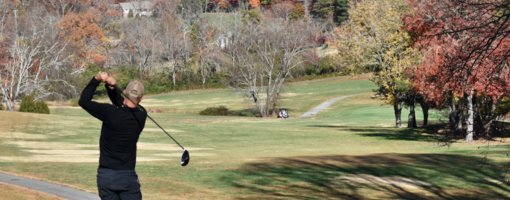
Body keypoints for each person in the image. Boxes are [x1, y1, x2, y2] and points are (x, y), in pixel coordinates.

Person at [79, 72, 147, 200]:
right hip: (128, 178)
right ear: (142, 98)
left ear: (125, 91)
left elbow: (83, 101)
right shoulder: (141, 115)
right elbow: (123, 103)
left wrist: (97, 79)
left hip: (106, 177)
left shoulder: (109, 112)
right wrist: (112, 88)